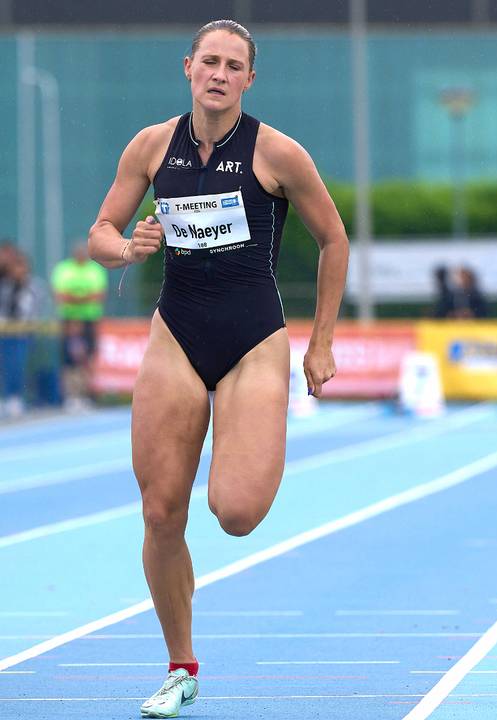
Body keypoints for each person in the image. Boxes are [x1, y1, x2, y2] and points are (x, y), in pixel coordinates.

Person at [86, 20, 349, 717]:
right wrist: (127, 249)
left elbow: (334, 239)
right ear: (189, 67)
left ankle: (255, 435)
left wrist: (320, 342)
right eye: (210, 61)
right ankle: (180, 666)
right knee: (159, 508)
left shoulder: (277, 152)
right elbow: (99, 235)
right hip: (175, 334)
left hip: (253, 338)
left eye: (235, 65)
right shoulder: (151, 145)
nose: (220, 74)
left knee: (233, 512)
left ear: (249, 80)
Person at [51, 242, 109, 411]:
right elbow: (60, 295)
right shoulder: (64, 269)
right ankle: (70, 396)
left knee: (87, 359)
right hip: (69, 320)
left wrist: (75, 298)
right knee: (69, 360)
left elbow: (99, 295)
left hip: (89, 320)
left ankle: (86, 395)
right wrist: (84, 298)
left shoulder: (94, 270)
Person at [0, 250, 39, 418]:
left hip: (22, 332)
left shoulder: (32, 286)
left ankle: (16, 397)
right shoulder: (6, 285)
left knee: (17, 365)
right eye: (15, 267)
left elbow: (33, 307)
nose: (18, 271)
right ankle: (5, 397)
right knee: (6, 365)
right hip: (5, 331)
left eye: (21, 267)